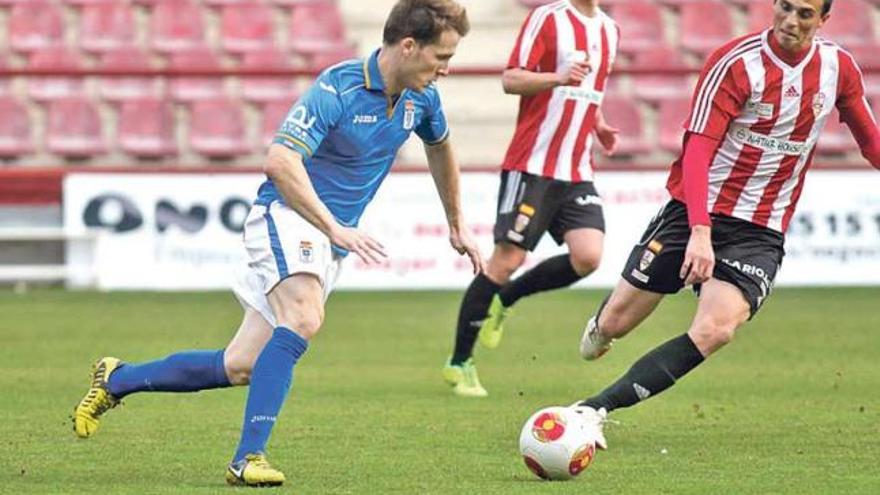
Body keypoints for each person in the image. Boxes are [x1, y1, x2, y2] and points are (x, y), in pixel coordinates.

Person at [73, 0, 483, 487]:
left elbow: (440, 149)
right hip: (287, 215)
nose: (447, 68)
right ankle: (248, 458)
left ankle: (117, 378)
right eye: (442, 56)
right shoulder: (338, 87)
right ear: (409, 46)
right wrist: (333, 226)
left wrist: (456, 222)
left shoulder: (423, 99)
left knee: (242, 364)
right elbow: (280, 160)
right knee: (304, 317)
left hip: (328, 238)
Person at [569, 0, 880, 449]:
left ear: (823, 20)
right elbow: (697, 150)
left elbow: (870, 141)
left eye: (805, 13)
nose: (791, 20)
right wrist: (700, 230)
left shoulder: (837, 68)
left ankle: (593, 408)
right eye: (786, 8)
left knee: (717, 328)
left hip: (761, 228)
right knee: (617, 324)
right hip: (697, 210)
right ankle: (602, 326)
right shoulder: (736, 63)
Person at [443, 0, 621, 397]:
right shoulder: (548, 18)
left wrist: (600, 125)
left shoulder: (610, 29)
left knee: (589, 256)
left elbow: (588, 93)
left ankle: (506, 300)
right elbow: (511, 79)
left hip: (577, 170)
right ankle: (459, 363)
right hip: (532, 166)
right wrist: (557, 78)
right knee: (506, 260)